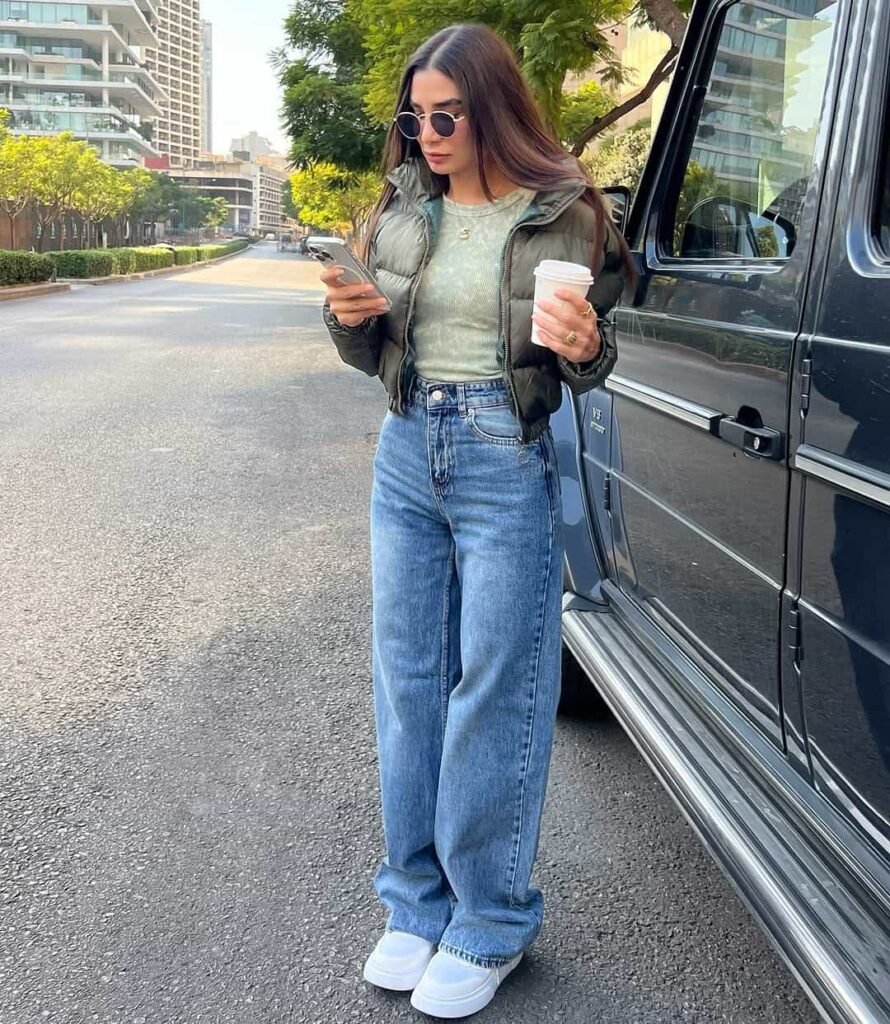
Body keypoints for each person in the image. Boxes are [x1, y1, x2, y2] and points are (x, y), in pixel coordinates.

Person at [319, 22, 629, 1019]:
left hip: (504, 455)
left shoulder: (567, 212)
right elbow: (366, 350)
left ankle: (488, 918)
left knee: (495, 685)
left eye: (443, 115)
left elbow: (594, 350)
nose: (426, 134)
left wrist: (582, 346)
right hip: (407, 450)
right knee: (408, 684)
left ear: (490, 106)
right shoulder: (402, 208)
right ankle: (412, 904)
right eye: (413, 120)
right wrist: (352, 318)